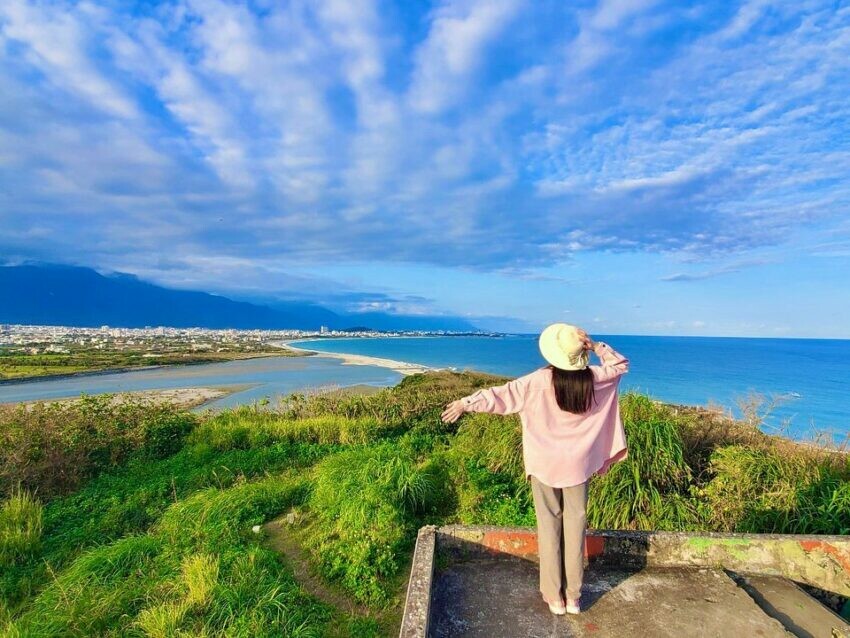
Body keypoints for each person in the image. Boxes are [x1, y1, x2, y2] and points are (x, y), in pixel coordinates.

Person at [441, 324, 629, 616]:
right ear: (578, 355)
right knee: (576, 527)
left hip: (544, 465)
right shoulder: (593, 378)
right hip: (578, 466)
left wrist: (465, 403)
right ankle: (574, 598)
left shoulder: (537, 382)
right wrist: (595, 347)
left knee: (549, 527)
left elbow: (499, 396)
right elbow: (619, 366)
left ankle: (555, 598)